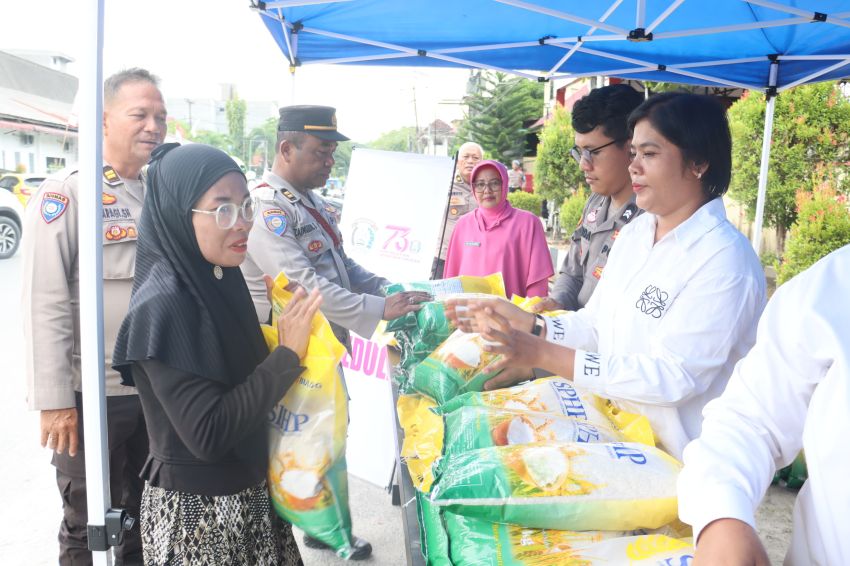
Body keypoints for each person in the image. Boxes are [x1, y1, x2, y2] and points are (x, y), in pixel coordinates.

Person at [445, 93, 766, 459]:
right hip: (614, 437)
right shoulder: (635, 234)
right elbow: (596, 325)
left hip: (680, 465)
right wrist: (535, 326)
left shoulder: (724, 261)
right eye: (633, 155)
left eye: (649, 154)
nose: (634, 168)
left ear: (698, 162)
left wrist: (543, 353)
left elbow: (674, 378)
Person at [240, 104, 429, 559]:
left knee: (324, 435)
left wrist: (385, 286)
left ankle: (320, 525)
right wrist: (378, 308)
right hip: (288, 350)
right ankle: (313, 526)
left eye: (331, 153)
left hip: (321, 347)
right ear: (286, 148)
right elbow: (305, 286)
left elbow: (341, 267)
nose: (330, 162)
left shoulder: (310, 202)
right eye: (321, 152)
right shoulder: (269, 207)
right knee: (300, 440)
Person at [112, 143, 311, 565]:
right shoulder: (162, 305)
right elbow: (209, 434)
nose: (241, 225)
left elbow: (240, 377)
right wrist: (287, 355)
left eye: (245, 208)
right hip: (200, 518)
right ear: (180, 214)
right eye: (222, 211)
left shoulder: (218, 276)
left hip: (250, 494)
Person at [21, 68, 166, 565]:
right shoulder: (68, 193)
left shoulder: (158, 193)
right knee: (89, 524)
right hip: (90, 396)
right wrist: (55, 400)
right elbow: (44, 302)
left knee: (143, 518)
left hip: (150, 388)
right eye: (140, 114)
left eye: (160, 116)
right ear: (104, 121)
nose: (153, 126)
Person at [678, 244, 850, 566]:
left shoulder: (729, 261)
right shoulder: (834, 288)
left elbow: (678, 374)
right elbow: (752, 418)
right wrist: (722, 517)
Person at [534, 84, 644, 313]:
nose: (584, 164)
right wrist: (557, 302)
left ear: (631, 146)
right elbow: (572, 272)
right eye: (579, 152)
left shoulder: (651, 218)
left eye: (593, 152)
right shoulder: (594, 203)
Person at [442, 160, 553, 298]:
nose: (487, 190)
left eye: (494, 183)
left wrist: (530, 315)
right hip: (469, 316)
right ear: (473, 187)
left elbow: (537, 282)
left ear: (505, 184)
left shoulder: (528, 223)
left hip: (510, 316)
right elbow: (451, 280)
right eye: (480, 184)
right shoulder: (463, 225)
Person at [433, 141, 483, 277]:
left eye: (475, 158)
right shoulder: (444, 184)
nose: (470, 161)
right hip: (444, 256)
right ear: (457, 161)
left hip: (478, 256)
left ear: (482, 161)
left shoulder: (489, 187)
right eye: (465, 157)